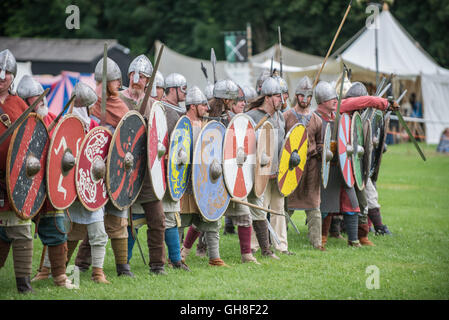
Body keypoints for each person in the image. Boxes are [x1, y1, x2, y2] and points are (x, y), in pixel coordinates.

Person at [16, 75, 75, 289]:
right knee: (9, 231)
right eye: (33, 100)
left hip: (49, 187)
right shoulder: (18, 124)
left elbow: (66, 150)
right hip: (21, 188)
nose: (38, 103)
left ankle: (59, 276)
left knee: (57, 229)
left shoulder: (53, 119)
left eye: (40, 99)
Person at [88, 56, 134, 277]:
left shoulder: (119, 105)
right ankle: (77, 265)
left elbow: (130, 135)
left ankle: (122, 268)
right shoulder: (89, 104)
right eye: (116, 81)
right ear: (108, 82)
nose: (119, 85)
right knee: (88, 219)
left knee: (118, 218)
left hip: (117, 169)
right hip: (93, 171)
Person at [65, 82, 111, 284]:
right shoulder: (65, 126)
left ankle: (98, 272)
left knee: (98, 232)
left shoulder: (93, 127)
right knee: (65, 234)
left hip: (91, 187)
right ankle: (55, 271)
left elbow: (102, 155)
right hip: (68, 188)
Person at [341, 82, 398, 243]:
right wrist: (384, 103)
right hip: (342, 163)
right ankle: (338, 231)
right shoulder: (345, 106)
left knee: (365, 197)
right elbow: (364, 102)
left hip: (357, 163)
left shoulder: (359, 116)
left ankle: (368, 230)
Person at [179, 86, 229, 267]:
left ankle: (214, 257)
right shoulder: (181, 125)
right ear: (193, 106)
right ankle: (176, 257)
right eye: (203, 105)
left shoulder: (208, 127)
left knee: (211, 218)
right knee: (181, 221)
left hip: (205, 182)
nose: (206, 108)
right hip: (185, 182)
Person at [0, 49, 36, 293]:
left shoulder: (19, 104)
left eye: (6, 73)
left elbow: (33, 138)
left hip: (13, 180)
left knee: (21, 230)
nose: (2, 76)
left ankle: (23, 283)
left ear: (12, 77)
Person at [246, 76, 290, 256]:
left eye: (282, 96)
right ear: (267, 97)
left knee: (278, 210)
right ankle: (254, 246)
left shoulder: (280, 117)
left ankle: (281, 246)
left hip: (278, 171)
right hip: (259, 171)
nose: (282, 99)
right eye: (278, 96)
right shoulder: (251, 116)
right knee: (259, 209)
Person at [283, 76, 325, 251]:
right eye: (302, 96)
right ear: (297, 95)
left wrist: (324, 152)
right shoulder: (286, 116)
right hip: (291, 167)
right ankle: (279, 241)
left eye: (308, 96)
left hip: (311, 168)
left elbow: (321, 143)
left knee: (314, 207)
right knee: (286, 208)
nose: (305, 99)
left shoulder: (317, 120)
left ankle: (317, 242)